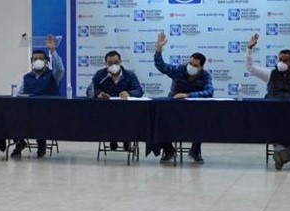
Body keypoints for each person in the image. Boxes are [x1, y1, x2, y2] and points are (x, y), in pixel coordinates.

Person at [246, 33, 290, 170]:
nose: (281, 63)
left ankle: (280, 153)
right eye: (280, 59)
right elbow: (251, 68)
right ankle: (283, 153)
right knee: (272, 124)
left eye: (285, 60)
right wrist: (249, 49)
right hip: (273, 111)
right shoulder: (270, 73)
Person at [153, 32, 212, 163]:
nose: (191, 67)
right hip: (173, 106)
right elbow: (162, 66)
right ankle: (169, 150)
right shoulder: (179, 70)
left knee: (201, 120)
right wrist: (159, 50)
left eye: (195, 65)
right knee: (159, 120)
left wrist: (188, 95)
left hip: (194, 110)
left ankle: (195, 152)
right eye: (190, 63)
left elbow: (209, 92)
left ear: (201, 67)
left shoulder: (205, 75)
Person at [11, 34, 64, 158]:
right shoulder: (26, 77)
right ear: (31, 62)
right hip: (30, 110)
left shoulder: (53, 75)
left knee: (40, 117)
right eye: (35, 59)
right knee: (11, 115)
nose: (37, 61)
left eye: (40, 59)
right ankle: (19, 143)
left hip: (48, 111)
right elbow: (18, 93)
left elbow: (60, 69)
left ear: (46, 62)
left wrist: (53, 51)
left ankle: (41, 144)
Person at [89, 49, 144, 153]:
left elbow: (139, 91)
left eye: (116, 62)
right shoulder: (100, 75)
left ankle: (126, 139)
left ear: (121, 62)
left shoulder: (129, 75)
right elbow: (90, 90)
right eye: (110, 63)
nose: (113, 65)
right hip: (107, 112)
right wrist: (98, 94)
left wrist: (129, 94)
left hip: (126, 112)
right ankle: (112, 138)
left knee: (127, 119)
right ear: (106, 64)